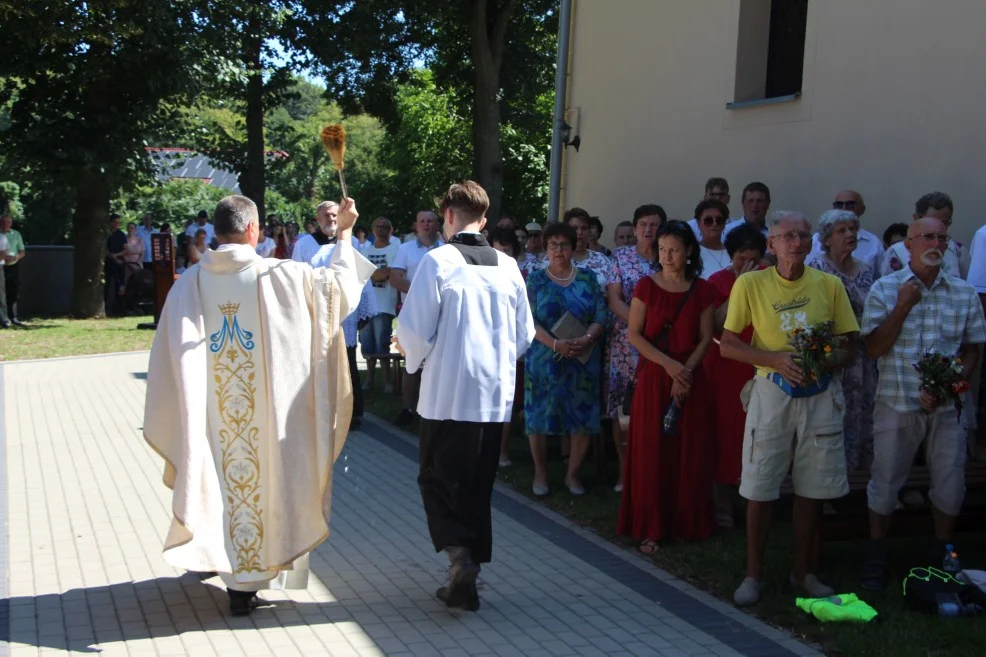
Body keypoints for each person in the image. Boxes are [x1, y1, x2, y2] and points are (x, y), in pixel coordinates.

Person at [144, 194, 374, 616]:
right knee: (268, 479)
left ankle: (233, 574)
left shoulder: (189, 285)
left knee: (217, 480)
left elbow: (165, 362)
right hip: (269, 420)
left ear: (217, 232)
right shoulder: (283, 276)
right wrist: (343, 232)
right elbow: (338, 291)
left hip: (212, 419)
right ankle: (249, 580)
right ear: (254, 230)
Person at [395, 181, 534, 612]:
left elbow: (414, 331)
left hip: (446, 393)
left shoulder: (438, 261)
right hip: (492, 397)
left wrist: (416, 361)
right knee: (477, 482)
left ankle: (459, 557)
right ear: (485, 220)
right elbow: (524, 335)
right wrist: (493, 362)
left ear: (447, 217)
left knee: (436, 478)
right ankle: (469, 563)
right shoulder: (508, 266)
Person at [721, 210, 859, 607]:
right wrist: (776, 359)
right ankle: (753, 575)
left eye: (802, 235)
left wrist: (824, 359)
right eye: (786, 236)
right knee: (761, 487)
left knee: (813, 490)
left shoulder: (829, 285)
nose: (795, 242)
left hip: (820, 395)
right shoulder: (750, 283)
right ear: (772, 244)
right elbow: (728, 344)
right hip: (772, 393)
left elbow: (850, 344)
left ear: (812, 243)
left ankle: (805, 572)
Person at [859, 217, 986, 591]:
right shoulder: (886, 289)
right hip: (896, 403)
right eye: (926, 236)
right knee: (885, 481)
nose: (935, 243)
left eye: (941, 237)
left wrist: (952, 384)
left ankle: (942, 551)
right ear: (908, 245)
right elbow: (873, 349)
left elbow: (972, 350)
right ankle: (876, 554)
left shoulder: (962, 293)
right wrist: (902, 307)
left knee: (950, 483)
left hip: (948, 408)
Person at [618, 220, 717, 553]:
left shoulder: (702, 290)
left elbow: (706, 338)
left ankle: (687, 523)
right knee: (652, 450)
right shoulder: (646, 286)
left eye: (674, 249)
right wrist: (671, 366)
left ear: (689, 251)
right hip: (656, 375)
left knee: (689, 450)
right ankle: (651, 525)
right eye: (662, 249)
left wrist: (685, 372)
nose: (667, 255)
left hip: (690, 377)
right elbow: (635, 335)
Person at [525, 222, 608, 497]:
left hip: (582, 358)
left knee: (582, 418)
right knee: (538, 416)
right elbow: (527, 320)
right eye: (553, 245)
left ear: (573, 247)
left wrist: (586, 339)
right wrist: (555, 343)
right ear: (545, 249)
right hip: (544, 358)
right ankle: (540, 473)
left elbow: (601, 315)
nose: (558, 249)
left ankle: (573, 475)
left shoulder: (588, 278)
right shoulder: (535, 280)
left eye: (564, 244)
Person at [705, 224, 768, 528]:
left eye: (753, 258)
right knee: (723, 435)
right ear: (731, 258)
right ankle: (721, 505)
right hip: (724, 367)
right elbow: (715, 325)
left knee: (756, 435)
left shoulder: (772, 279)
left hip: (760, 365)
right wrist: (740, 285)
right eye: (741, 258)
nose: (748, 264)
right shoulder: (718, 281)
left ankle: (751, 504)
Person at [807, 210, 878, 471]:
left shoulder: (868, 270)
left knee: (864, 417)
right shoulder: (816, 269)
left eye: (852, 229)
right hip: (833, 357)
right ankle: (831, 482)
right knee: (833, 417)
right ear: (826, 239)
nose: (850, 234)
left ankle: (863, 481)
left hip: (864, 357)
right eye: (842, 230)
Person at [606, 204, 664, 492]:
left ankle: (651, 471)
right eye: (643, 224)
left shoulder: (668, 258)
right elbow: (614, 298)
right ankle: (624, 470)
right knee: (623, 410)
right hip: (625, 342)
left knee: (654, 406)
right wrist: (639, 324)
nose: (649, 230)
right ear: (636, 227)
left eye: (654, 225)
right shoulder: (621, 257)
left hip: (660, 344)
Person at [390, 210, 444, 426]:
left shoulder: (448, 249)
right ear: (416, 226)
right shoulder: (405, 249)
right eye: (422, 221)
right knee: (411, 362)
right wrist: (421, 294)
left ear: (437, 224)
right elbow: (395, 278)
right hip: (413, 314)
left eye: (430, 221)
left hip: (441, 314)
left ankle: (433, 409)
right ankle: (407, 409)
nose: (426, 224)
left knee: (438, 363)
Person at [490, 227, 528, 467]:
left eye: (507, 250)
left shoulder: (522, 274)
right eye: (498, 249)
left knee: (507, 403)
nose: (502, 254)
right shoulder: (481, 273)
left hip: (514, 347)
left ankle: (502, 452)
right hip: (487, 347)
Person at [882, 192, 967, 279]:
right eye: (931, 222)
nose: (938, 227)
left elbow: (966, 286)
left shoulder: (958, 251)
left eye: (944, 223)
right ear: (916, 218)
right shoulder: (896, 252)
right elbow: (886, 287)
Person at [360, 217, 401, 393]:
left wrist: (374, 274)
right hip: (367, 304)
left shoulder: (396, 249)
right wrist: (375, 274)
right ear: (372, 229)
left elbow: (387, 273)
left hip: (385, 303)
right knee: (368, 346)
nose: (381, 229)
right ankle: (369, 380)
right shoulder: (366, 251)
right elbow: (363, 275)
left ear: (391, 229)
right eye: (378, 226)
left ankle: (387, 382)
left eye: (385, 226)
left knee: (381, 344)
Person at [807, 191, 884, 274]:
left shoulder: (873, 242)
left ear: (862, 209)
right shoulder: (817, 241)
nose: (844, 208)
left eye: (850, 204)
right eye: (839, 205)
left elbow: (880, 278)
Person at [293, 201, 361, 265]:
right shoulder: (303, 243)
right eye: (326, 215)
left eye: (334, 215)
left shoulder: (352, 241)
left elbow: (359, 270)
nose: (331, 219)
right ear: (318, 219)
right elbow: (297, 272)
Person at [695, 200, 731, 278]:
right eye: (708, 220)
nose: (714, 224)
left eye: (719, 220)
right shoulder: (692, 252)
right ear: (698, 223)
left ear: (724, 224)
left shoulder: (733, 252)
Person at [1, 215, 26, 325]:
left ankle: (14, 316)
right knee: (1, 293)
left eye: (9, 222)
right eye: (4, 222)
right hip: (1, 265)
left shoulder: (16, 234)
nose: (6, 224)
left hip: (13, 265)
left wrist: (15, 257)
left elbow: (22, 251)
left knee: (13, 291)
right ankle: (3, 317)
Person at [105, 214, 127, 311]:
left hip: (119, 263)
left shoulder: (121, 235)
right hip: (107, 263)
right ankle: (106, 306)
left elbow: (125, 249)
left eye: (118, 223)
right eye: (114, 222)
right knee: (107, 285)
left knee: (120, 285)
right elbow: (103, 248)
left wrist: (117, 255)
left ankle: (119, 308)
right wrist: (112, 256)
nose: (116, 224)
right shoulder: (106, 234)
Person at [123, 222, 145, 291]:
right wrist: (129, 264)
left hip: (138, 264)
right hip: (127, 265)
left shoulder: (139, 240)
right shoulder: (124, 239)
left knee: (139, 282)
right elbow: (123, 253)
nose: (130, 229)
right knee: (127, 283)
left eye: (132, 228)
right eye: (129, 227)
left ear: (135, 229)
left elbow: (142, 252)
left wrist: (138, 262)